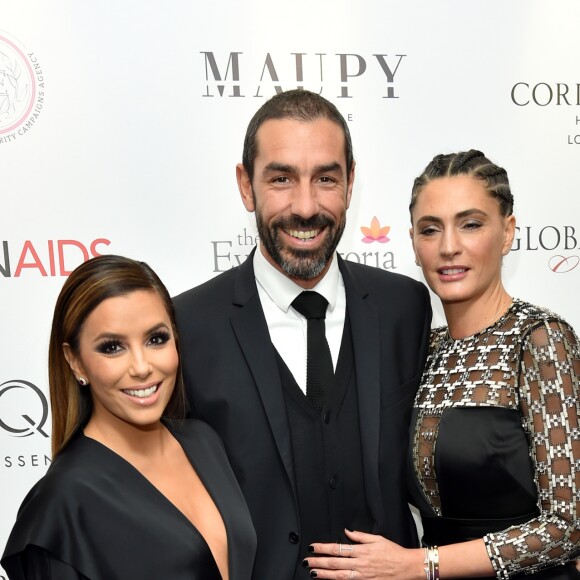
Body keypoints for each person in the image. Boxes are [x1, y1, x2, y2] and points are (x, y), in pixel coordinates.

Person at [173, 89, 432, 579]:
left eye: (326, 178)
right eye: (282, 179)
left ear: (351, 183)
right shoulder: (188, 326)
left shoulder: (405, 306)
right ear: (246, 186)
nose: (307, 206)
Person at [304, 150, 580, 579]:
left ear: (507, 233)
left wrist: (420, 564)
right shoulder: (421, 348)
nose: (449, 247)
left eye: (471, 224)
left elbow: (568, 526)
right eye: (431, 229)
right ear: (414, 244)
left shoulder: (540, 338)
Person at [1, 255, 256, 580]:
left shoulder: (204, 441)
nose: (141, 367)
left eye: (156, 339)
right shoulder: (61, 504)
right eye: (112, 347)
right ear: (75, 361)